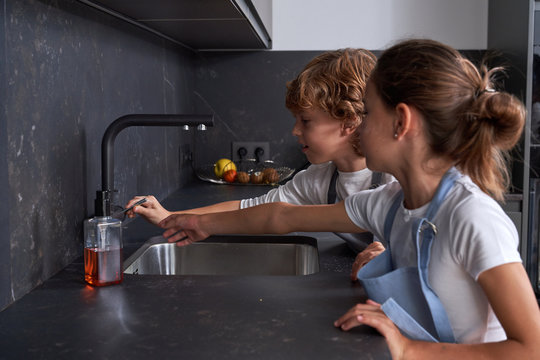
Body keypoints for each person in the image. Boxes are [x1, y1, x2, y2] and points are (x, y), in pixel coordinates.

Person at [157, 39, 540, 358]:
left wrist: (409, 350)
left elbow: (530, 347)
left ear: (401, 123)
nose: (359, 123)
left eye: (368, 113)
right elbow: (281, 216)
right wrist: (198, 223)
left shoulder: (472, 217)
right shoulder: (388, 203)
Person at [126, 48, 392, 274]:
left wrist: (391, 258)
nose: (295, 131)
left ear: (348, 121)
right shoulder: (321, 178)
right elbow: (258, 209)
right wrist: (175, 218)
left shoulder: (392, 177)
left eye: (306, 121)